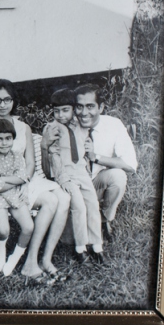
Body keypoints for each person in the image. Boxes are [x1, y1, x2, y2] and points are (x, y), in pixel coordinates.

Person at [0, 79, 70, 277]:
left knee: (62, 198)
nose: (3, 105)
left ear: (14, 101)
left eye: (7, 99)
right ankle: (29, 261)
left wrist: (24, 181)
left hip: (24, 180)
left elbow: (30, 163)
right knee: (51, 200)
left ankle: (41, 259)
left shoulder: (23, 128)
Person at [42, 88, 104, 264]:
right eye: (56, 111)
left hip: (81, 171)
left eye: (65, 110)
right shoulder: (52, 128)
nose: (60, 115)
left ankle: (97, 245)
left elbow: (83, 145)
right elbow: (53, 155)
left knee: (92, 204)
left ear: (73, 109)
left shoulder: (79, 124)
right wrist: (61, 177)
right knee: (79, 207)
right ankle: (80, 247)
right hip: (66, 174)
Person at [69, 84, 138, 243]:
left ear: (101, 107)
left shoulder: (113, 125)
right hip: (74, 186)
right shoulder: (68, 126)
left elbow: (130, 164)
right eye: (79, 107)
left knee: (118, 176)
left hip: (95, 181)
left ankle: (104, 219)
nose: (84, 113)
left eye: (90, 106)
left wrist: (96, 157)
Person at [0, 119, 36, 275]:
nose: (4, 143)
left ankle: (16, 256)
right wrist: (13, 179)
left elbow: (23, 176)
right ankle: (0, 247)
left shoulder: (17, 156)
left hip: (14, 194)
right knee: (3, 230)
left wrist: (2, 178)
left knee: (28, 227)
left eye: (8, 138)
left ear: (13, 138)